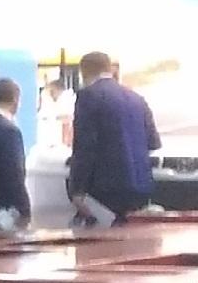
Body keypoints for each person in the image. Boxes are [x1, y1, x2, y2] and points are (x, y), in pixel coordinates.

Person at [66, 51, 161, 226]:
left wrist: (76, 190)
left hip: (104, 190)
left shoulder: (88, 96)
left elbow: (85, 146)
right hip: (141, 186)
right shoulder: (137, 98)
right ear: (109, 68)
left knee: (101, 240)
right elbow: (153, 142)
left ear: (83, 71)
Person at [0, 77, 33, 231]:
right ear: (15, 100)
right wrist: (24, 209)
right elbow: (14, 173)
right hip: (2, 212)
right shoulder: (9, 131)